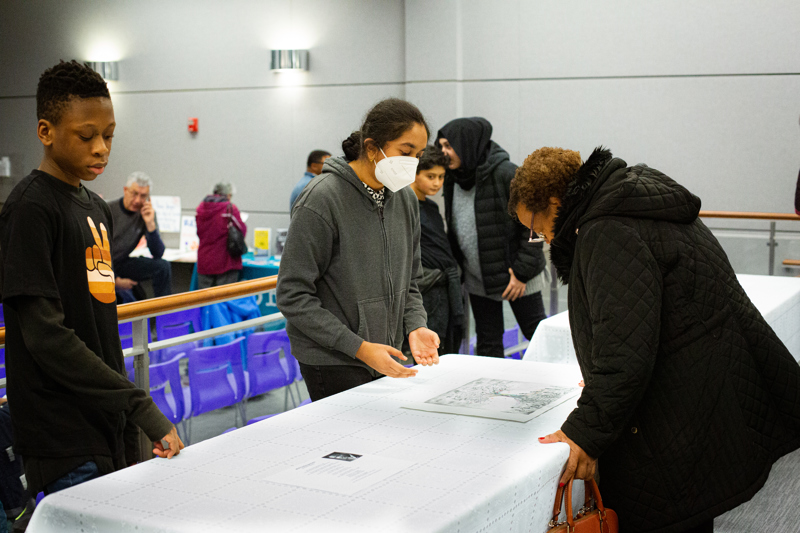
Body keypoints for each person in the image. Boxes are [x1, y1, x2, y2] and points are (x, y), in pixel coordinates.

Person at [510, 146, 800, 533]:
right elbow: (649, 321)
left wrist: (585, 430)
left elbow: (625, 351)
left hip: (674, 419)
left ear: (553, 201)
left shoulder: (606, 230)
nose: (541, 237)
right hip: (703, 398)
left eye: (536, 226)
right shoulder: (638, 203)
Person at [0, 60, 183, 498]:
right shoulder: (29, 210)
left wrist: (127, 416)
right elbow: (48, 338)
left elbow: (99, 325)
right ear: (46, 132)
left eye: (109, 135)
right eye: (87, 136)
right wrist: (142, 406)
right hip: (62, 434)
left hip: (110, 422)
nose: (102, 148)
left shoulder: (96, 208)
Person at [277, 98, 441, 401]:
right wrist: (359, 347)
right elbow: (292, 295)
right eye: (404, 152)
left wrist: (416, 325)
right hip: (332, 358)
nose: (411, 163)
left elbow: (410, 281)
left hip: (384, 352)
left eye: (417, 155)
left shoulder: (404, 200)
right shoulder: (321, 199)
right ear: (371, 147)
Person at [436, 117, 547, 358]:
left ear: (467, 144)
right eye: (441, 145)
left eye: (449, 145)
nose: (443, 153)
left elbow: (535, 227)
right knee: (488, 345)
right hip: (479, 279)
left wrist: (521, 273)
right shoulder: (452, 179)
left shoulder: (508, 173)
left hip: (519, 277)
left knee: (537, 335)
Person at [409, 146, 465, 354]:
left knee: (448, 348)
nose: (437, 183)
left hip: (445, 288)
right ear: (414, 174)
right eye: (430, 176)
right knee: (430, 353)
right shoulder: (404, 207)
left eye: (441, 177)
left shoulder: (431, 207)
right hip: (426, 291)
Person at [108, 171, 171, 301]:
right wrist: (115, 281)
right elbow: (98, 252)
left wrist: (150, 225)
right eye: (134, 194)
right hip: (101, 264)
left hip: (121, 262)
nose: (137, 200)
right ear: (125, 190)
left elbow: (158, 253)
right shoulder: (108, 209)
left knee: (162, 267)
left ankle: (165, 317)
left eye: (143, 196)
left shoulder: (146, 214)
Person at [196, 182, 247, 289]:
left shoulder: (201, 208)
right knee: (224, 302)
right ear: (228, 195)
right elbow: (242, 231)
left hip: (204, 262)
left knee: (205, 303)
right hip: (225, 262)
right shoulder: (230, 208)